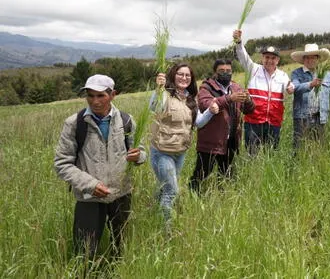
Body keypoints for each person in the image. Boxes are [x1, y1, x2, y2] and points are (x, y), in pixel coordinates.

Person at [54, 74, 146, 258]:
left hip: (121, 194)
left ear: (113, 95)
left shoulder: (127, 121)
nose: (95, 101)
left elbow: (141, 150)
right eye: (90, 95)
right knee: (85, 251)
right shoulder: (75, 124)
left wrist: (139, 156)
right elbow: (62, 163)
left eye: (101, 95)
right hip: (89, 197)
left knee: (121, 246)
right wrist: (90, 185)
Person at [150, 63, 215, 221]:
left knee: (165, 186)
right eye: (180, 74)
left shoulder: (190, 99)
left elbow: (198, 122)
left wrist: (210, 112)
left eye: (187, 75)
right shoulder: (165, 94)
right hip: (162, 152)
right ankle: (167, 230)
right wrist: (159, 89)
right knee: (172, 190)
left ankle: (153, 211)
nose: (184, 78)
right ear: (173, 75)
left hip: (180, 152)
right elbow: (155, 107)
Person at [190, 59, 255, 193]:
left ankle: (222, 199)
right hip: (211, 141)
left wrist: (248, 100)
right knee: (201, 174)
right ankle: (193, 196)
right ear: (215, 72)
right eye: (221, 71)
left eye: (228, 71)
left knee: (226, 175)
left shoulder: (236, 87)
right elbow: (205, 104)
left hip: (231, 141)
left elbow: (249, 110)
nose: (225, 74)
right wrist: (229, 98)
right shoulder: (206, 88)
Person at [233, 29, 294, 156]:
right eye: (267, 57)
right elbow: (243, 56)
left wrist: (290, 89)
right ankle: (252, 175)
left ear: (278, 60)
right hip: (254, 121)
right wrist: (238, 42)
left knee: (271, 154)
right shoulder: (253, 69)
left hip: (274, 122)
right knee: (252, 154)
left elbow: (289, 87)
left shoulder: (282, 75)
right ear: (262, 58)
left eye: (273, 58)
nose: (269, 60)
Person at [290, 43, 330, 151]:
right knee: (300, 148)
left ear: (318, 59)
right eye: (307, 57)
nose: (310, 60)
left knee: (318, 148)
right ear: (303, 59)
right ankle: (298, 167)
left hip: (319, 117)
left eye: (313, 57)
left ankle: (316, 167)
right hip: (302, 117)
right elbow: (295, 88)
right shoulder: (296, 73)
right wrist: (310, 84)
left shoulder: (326, 74)